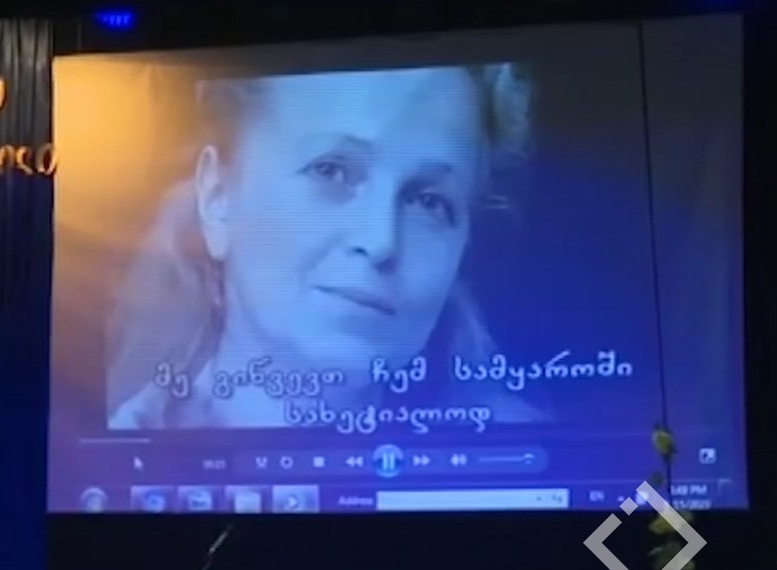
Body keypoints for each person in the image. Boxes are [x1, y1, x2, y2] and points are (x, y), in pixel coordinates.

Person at [108, 63, 543, 429]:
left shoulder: (525, 470)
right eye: (331, 171)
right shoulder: (117, 464)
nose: (381, 241)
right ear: (218, 197)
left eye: (429, 202)